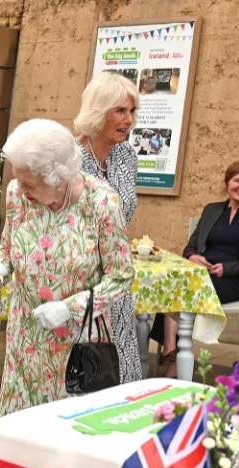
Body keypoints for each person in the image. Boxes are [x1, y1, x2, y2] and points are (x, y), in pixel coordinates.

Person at [0, 119, 135, 417]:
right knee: (21, 428)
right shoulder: (17, 195)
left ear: (59, 177)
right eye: (18, 179)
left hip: (77, 346)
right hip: (25, 341)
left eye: (29, 183)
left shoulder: (102, 204)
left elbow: (121, 278)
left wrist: (70, 308)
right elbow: (8, 248)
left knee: (69, 429)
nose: (20, 189)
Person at [151, 160, 239, 377]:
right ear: (227, 183)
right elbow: (191, 245)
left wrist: (228, 269)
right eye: (237, 180)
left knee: (185, 291)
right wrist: (193, 256)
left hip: (235, 279)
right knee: (172, 285)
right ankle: (172, 351)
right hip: (202, 273)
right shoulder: (212, 210)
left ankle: (172, 357)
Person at [74, 71, 142, 384]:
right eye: (120, 111)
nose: (129, 119)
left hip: (117, 276)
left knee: (121, 362)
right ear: (99, 111)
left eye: (132, 111)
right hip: (81, 279)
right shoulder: (70, 159)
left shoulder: (126, 155)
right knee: (85, 368)